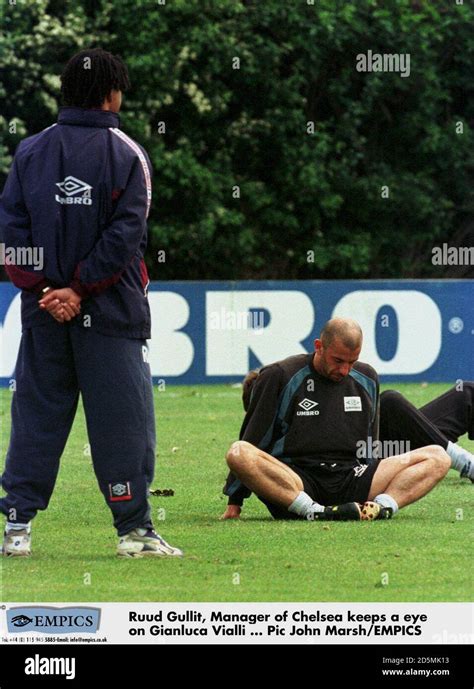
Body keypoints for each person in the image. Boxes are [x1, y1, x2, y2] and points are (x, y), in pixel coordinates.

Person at [0, 48, 182, 558]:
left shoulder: (30, 152)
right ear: (111, 94)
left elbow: (11, 230)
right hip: (110, 314)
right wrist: (80, 290)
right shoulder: (127, 153)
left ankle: (17, 529)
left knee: (36, 417)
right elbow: (127, 235)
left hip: (43, 313)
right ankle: (134, 532)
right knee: (122, 422)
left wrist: (42, 290)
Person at [221, 317, 451, 521]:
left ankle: (381, 508)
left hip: (353, 479)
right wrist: (235, 500)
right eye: (338, 360)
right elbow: (254, 438)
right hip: (297, 481)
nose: (344, 370)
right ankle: (313, 510)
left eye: (352, 362)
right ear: (319, 347)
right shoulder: (280, 375)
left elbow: (370, 444)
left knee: (438, 457)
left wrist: (373, 475)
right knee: (239, 452)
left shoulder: (367, 378)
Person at [240, 373, 474, 481]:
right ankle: (466, 464)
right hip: (372, 459)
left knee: (465, 393)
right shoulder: (266, 445)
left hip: (384, 440)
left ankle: (450, 452)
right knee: (391, 401)